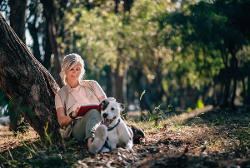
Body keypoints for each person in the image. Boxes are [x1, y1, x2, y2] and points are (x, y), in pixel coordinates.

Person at [55, 53, 107, 151]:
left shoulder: (93, 84)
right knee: (93, 112)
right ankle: (91, 143)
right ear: (65, 70)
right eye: (71, 69)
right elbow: (61, 121)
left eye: (78, 69)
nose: (75, 72)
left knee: (97, 113)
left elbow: (106, 104)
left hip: (101, 120)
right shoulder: (60, 95)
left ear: (82, 70)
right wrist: (73, 115)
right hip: (78, 128)